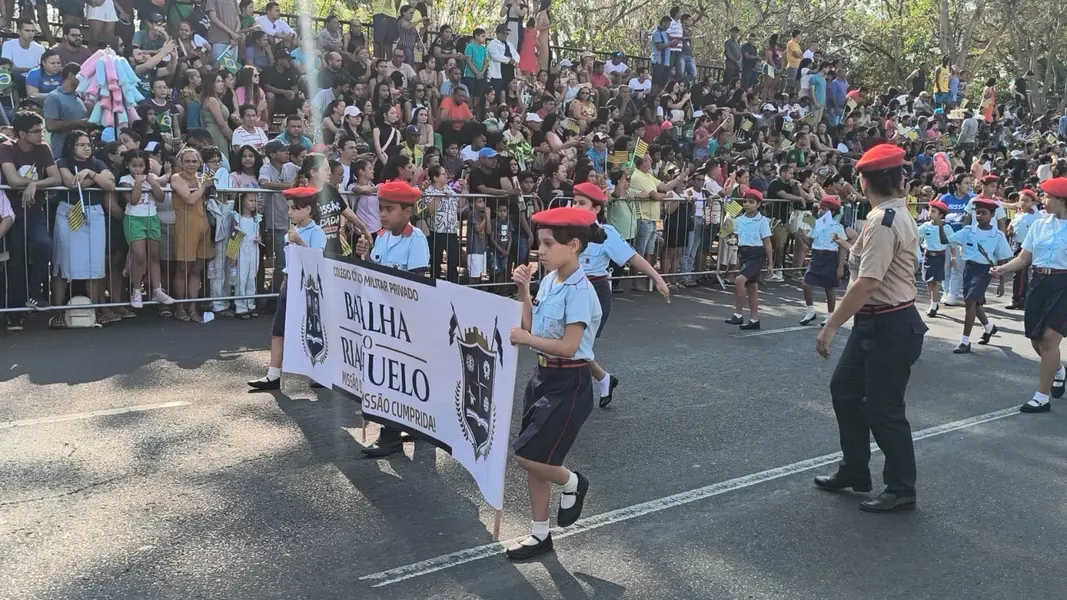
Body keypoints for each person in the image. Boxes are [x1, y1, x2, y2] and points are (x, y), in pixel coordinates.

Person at [814, 143, 926, 513]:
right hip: (874, 323)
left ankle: (901, 488)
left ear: (864, 181)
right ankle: (855, 470)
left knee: (884, 409)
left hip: (889, 323)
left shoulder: (884, 220)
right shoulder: (887, 214)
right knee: (845, 390)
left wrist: (830, 324)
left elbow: (867, 282)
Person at [505, 206, 604, 560]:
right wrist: (523, 291)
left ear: (574, 245)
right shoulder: (550, 279)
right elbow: (532, 327)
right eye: (539, 243)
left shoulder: (580, 289)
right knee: (536, 457)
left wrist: (526, 339)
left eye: (548, 243)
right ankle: (539, 534)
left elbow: (568, 346)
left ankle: (573, 482)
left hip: (569, 382)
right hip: (542, 376)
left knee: (528, 456)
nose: (540, 251)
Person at [571, 181, 669, 407]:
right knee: (573, 347)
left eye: (582, 203)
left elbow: (633, 257)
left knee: (574, 347)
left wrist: (657, 277)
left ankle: (576, 398)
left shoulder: (606, 234)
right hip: (569, 291)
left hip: (594, 294)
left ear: (596, 209)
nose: (576, 207)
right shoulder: (568, 230)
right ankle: (604, 379)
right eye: (575, 202)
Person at [356, 180, 431, 457]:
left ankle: (392, 433)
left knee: (400, 376)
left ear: (407, 212)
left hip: (406, 319)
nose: (383, 214)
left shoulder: (417, 240)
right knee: (389, 376)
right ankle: (398, 427)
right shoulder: (382, 237)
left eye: (389, 209)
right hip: (383, 318)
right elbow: (375, 271)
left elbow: (416, 283)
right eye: (381, 208)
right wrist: (365, 257)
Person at [992, 178, 1067, 413]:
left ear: (1061, 201)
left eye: (1047, 196)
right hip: (1039, 282)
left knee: (1049, 339)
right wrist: (1003, 268)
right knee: (1036, 339)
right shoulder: (1039, 225)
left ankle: (1041, 397)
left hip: (1063, 283)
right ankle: (1058, 370)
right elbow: (1025, 258)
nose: (1043, 200)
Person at [247, 187, 327, 390]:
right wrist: (285, 279)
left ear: (308, 209)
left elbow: (317, 259)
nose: (289, 212)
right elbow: (290, 262)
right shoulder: (293, 231)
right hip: (290, 283)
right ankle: (273, 373)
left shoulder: (316, 232)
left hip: (309, 288)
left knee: (311, 330)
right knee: (279, 329)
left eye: (294, 208)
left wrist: (300, 242)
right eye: (288, 208)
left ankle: (320, 371)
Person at [949, 198, 1012, 354]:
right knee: (975, 303)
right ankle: (989, 327)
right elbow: (949, 240)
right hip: (969, 269)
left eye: (984, 213)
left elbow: (1002, 259)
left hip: (985, 270)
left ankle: (965, 341)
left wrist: (1001, 282)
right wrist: (941, 228)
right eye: (977, 212)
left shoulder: (998, 235)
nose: (979, 216)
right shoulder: (968, 231)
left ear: (992, 215)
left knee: (970, 302)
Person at [724, 189, 773, 330]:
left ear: (758, 204)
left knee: (739, 280)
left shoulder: (762, 221)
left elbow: (767, 243)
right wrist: (732, 240)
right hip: (744, 253)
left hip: (756, 254)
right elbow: (736, 237)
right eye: (745, 201)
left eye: (751, 202)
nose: (747, 204)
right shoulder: (739, 220)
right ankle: (754, 319)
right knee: (752, 287)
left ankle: (738, 315)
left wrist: (770, 263)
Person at [799, 196, 846, 326]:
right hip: (816, 256)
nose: (820, 211)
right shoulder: (816, 224)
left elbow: (843, 248)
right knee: (806, 283)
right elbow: (810, 242)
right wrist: (802, 235)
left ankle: (830, 316)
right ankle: (810, 311)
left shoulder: (837, 227)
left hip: (830, 257)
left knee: (829, 288)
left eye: (824, 209)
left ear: (832, 212)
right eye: (820, 209)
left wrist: (840, 267)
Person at [1006, 189, 1039, 310]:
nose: (1023, 203)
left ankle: (1019, 298)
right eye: (1021, 200)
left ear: (1033, 203)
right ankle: (1019, 297)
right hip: (1016, 245)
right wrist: (1009, 230)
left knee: (1021, 273)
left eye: (1027, 200)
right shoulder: (1018, 214)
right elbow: (1011, 226)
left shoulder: (1037, 217)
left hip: (1028, 247)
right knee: (1018, 273)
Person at [917, 199, 951, 317]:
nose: (930, 213)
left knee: (935, 282)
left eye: (933, 211)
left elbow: (951, 243)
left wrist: (953, 257)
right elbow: (916, 236)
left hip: (939, 256)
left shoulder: (946, 228)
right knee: (928, 282)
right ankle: (934, 302)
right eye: (930, 211)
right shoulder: (925, 226)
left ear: (941, 215)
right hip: (927, 256)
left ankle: (933, 306)